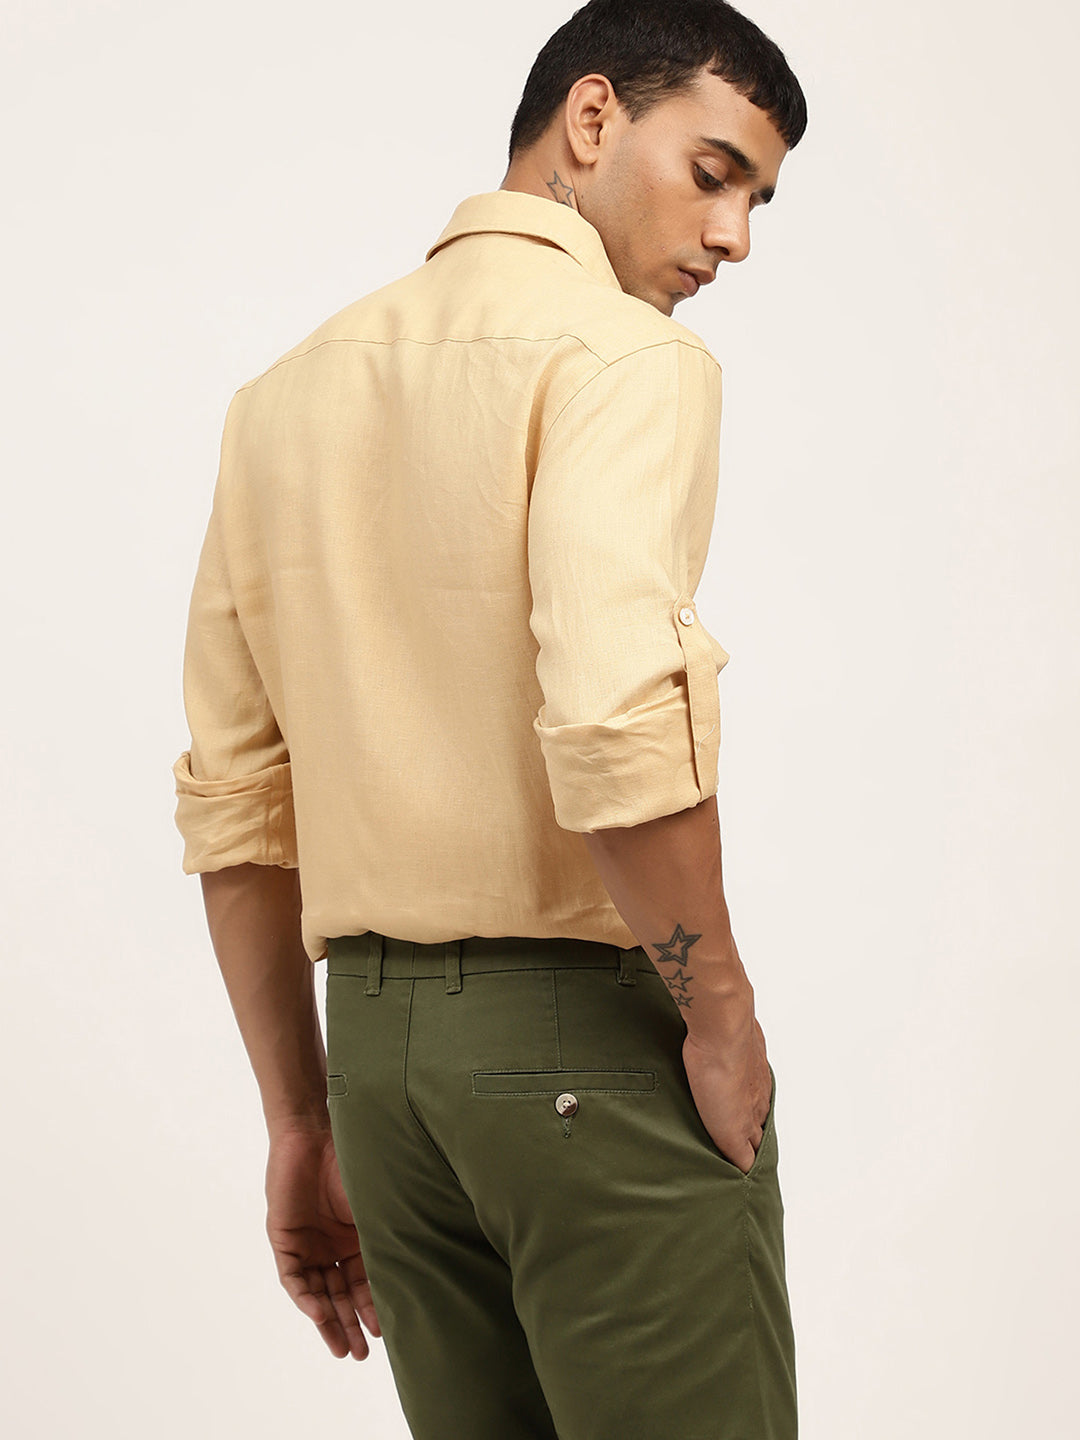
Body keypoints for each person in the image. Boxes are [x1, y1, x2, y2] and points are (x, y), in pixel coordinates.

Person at [171, 2, 807, 1435]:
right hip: (584, 1046)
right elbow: (614, 708)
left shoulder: (283, 395)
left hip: (380, 1075)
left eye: (757, 202)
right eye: (713, 174)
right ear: (592, 118)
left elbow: (238, 797)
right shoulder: (623, 359)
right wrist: (720, 1014)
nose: (733, 238)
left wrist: (301, 1119)